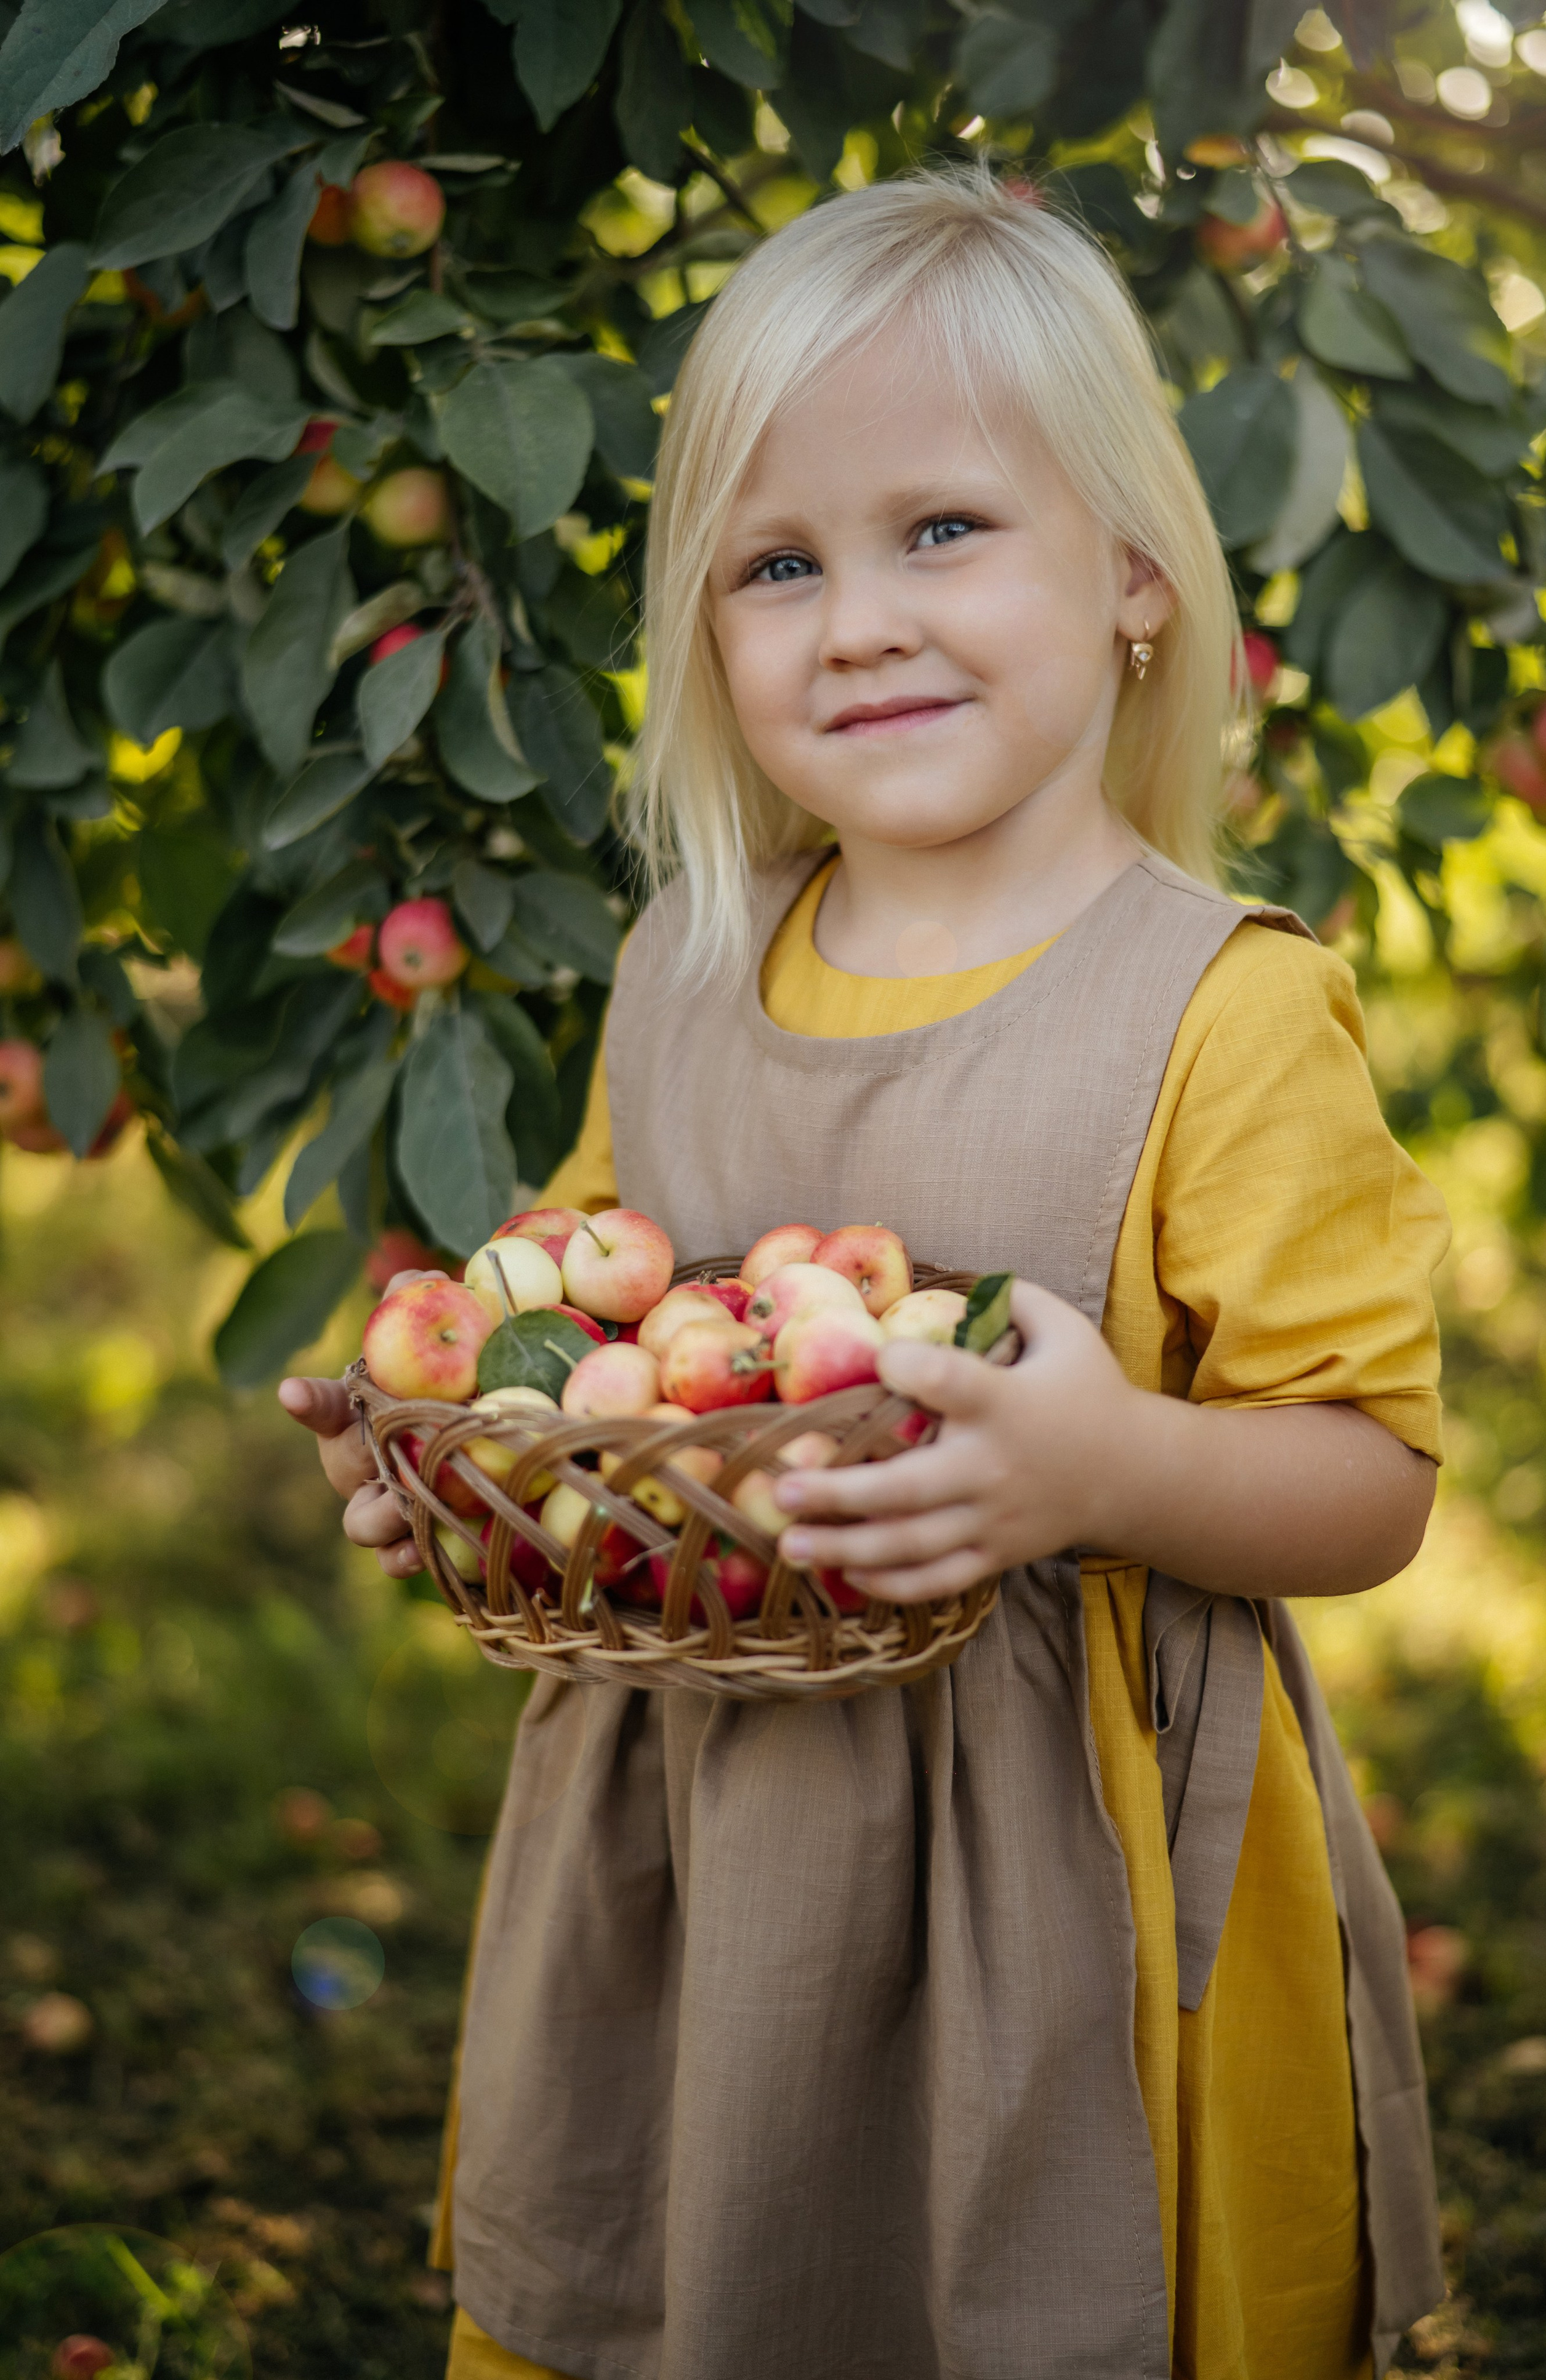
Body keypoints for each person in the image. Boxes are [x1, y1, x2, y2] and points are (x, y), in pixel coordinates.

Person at [281, 168, 1451, 2380]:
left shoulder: (1221, 1009)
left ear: (1133, 570)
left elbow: (1372, 1479)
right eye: (780, 565)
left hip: (1066, 1872)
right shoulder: (686, 967)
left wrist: (1100, 1469)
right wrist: (460, 1461)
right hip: (695, 1839)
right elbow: (595, 1345)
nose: (858, 621)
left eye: (942, 529)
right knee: (703, 2264)